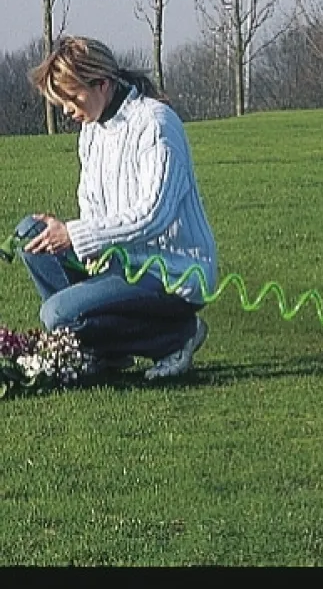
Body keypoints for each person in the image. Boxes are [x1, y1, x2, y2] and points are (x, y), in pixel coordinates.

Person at [18, 36, 216, 380]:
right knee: (31, 236)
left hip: (170, 273)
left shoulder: (156, 123)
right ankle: (99, 351)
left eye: (71, 97)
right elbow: (91, 202)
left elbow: (154, 214)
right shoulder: (92, 130)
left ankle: (177, 336)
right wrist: (78, 241)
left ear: (103, 84)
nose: (66, 109)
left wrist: (77, 234)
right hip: (120, 262)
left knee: (57, 314)